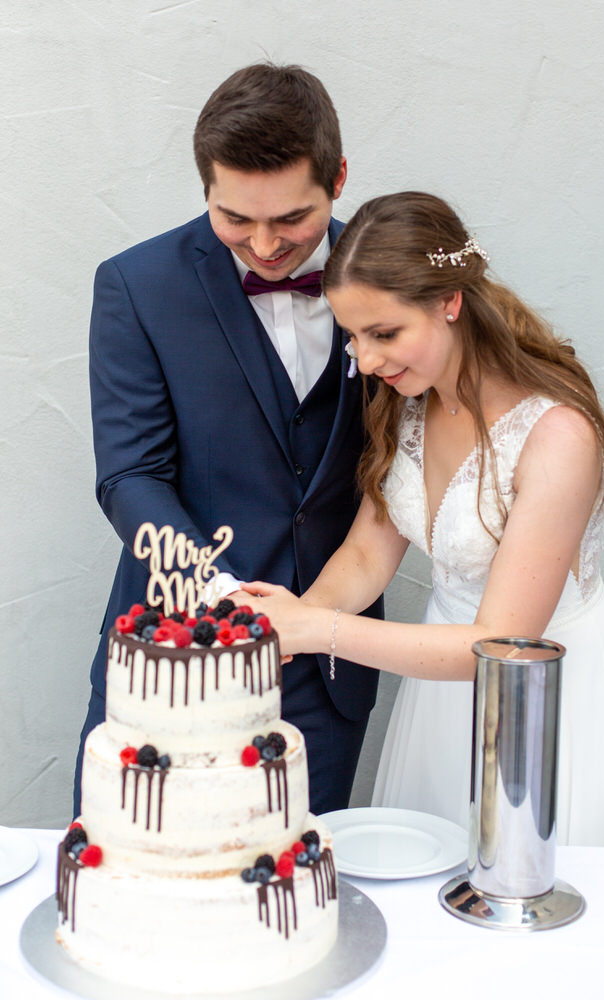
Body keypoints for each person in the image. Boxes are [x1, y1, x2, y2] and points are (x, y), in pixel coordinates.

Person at [240, 191, 604, 847]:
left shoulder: (556, 437)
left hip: (535, 697)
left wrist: (317, 629)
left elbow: (502, 643)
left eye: (384, 334)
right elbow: (369, 554)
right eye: (352, 337)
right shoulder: (410, 402)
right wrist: (291, 622)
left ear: (448, 303)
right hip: (438, 676)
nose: (365, 362)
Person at [74, 63, 382, 818]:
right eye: (235, 218)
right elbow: (130, 477)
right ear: (205, 187)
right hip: (174, 655)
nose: (266, 244)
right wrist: (219, 600)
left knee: (295, 904)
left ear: (338, 177)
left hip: (328, 665)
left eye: (291, 218)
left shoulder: (391, 277)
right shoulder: (136, 285)